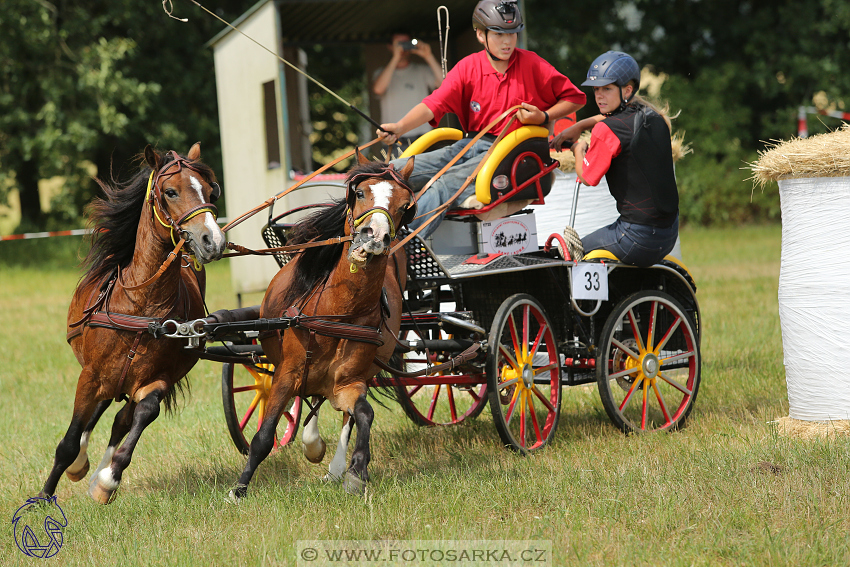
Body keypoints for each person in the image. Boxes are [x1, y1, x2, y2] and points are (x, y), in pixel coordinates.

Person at [377, 0, 586, 239]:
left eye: (512, 34)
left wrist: (545, 116)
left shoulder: (533, 64)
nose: (507, 42)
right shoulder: (468, 67)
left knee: (441, 185)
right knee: (392, 171)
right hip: (472, 144)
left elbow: (575, 98)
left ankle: (401, 247)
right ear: (480, 34)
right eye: (498, 34)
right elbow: (435, 103)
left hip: (512, 152)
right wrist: (400, 127)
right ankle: (362, 235)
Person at [551, 50, 679, 267]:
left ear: (627, 90)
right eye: (596, 89)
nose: (599, 95)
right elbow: (617, 119)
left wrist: (578, 148)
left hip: (635, 238)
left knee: (570, 254)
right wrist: (581, 125)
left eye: (607, 89)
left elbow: (587, 177)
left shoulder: (606, 130)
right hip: (668, 234)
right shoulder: (654, 116)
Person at [372, 33, 444, 148]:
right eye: (399, 44)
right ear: (390, 46)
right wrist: (396, 57)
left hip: (423, 136)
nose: (403, 47)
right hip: (394, 137)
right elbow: (378, 89)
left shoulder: (422, 70)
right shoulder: (381, 73)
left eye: (407, 43)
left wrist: (428, 56)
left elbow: (446, 85)